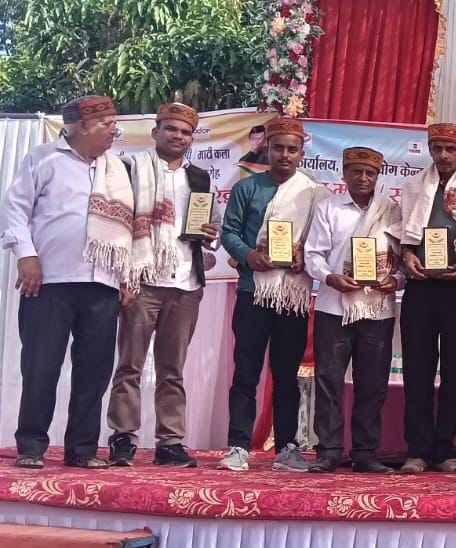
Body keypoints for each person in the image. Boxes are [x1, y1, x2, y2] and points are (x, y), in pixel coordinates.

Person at [1, 95, 126, 469]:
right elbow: (14, 210)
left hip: (103, 282)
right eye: (107, 124)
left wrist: (127, 278)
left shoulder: (118, 168)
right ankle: (31, 447)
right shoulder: (43, 159)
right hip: (49, 281)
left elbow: (130, 227)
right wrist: (27, 256)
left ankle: (82, 450)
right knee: (40, 367)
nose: (115, 131)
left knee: (94, 372)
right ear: (82, 126)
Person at [106, 103, 220, 468]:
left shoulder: (200, 179)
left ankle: (170, 442)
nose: (178, 136)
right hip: (142, 282)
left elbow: (212, 228)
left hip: (185, 284)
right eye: (171, 129)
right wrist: (123, 278)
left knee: (172, 370)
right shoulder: (131, 169)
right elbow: (118, 225)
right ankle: (123, 438)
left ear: (192, 139)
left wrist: (212, 235)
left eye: (185, 132)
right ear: (155, 132)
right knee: (129, 366)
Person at [218, 117, 330, 472]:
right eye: (278, 148)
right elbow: (229, 232)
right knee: (246, 373)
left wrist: (304, 258)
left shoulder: (314, 193)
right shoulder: (247, 188)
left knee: (286, 376)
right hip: (253, 291)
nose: (284, 155)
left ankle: (287, 448)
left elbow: (320, 241)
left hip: (292, 297)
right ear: (266, 149)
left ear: (301, 154)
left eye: (292, 149)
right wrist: (249, 255)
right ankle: (238, 446)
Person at [390, 123, 456, 474]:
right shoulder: (413, 186)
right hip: (420, 287)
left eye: (451, 149)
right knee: (416, 370)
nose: (443, 155)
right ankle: (418, 450)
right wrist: (407, 256)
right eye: (437, 148)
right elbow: (400, 236)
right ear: (430, 150)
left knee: (454, 370)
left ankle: (446, 449)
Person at [304, 147, 402, 474]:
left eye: (370, 173)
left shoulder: (391, 211)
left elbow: (403, 259)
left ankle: (365, 452)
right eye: (356, 172)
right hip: (334, 307)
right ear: (344, 174)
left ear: (378, 176)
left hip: (378, 310)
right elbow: (313, 254)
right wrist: (330, 277)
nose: (363, 178)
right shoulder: (328, 208)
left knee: (372, 384)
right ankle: (328, 451)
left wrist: (397, 280)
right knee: (329, 380)